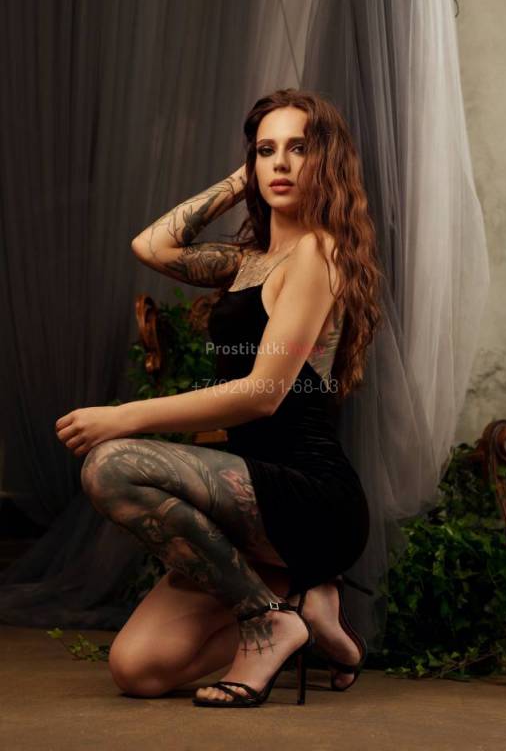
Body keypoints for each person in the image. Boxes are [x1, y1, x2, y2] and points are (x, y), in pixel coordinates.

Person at [55, 88, 384, 708]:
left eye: (299, 149)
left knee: (112, 464)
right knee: (138, 670)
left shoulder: (318, 253)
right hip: (245, 501)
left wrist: (123, 417)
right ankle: (296, 608)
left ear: (328, 162)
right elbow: (151, 246)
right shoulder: (246, 261)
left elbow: (262, 395)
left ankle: (267, 621)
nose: (281, 163)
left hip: (308, 498)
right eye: (266, 150)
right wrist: (241, 181)